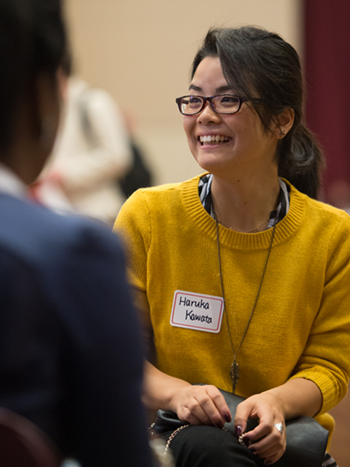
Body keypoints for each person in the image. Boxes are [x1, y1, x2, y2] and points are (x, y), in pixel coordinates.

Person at [114, 26, 350, 467]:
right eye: (194, 99)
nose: (204, 115)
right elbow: (119, 354)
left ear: (282, 119)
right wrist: (179, 393)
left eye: (227, 99)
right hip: (173, 438)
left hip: (284, 441)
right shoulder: (147, 216)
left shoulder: (333, 235)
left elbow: (329, 368)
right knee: (212, 450)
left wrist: (276, 404)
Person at [0, 1, 153, 466]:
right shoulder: (73, 256)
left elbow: (117, 155)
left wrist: (65, 177)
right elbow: (118, 450)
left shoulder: (95, 101)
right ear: (42, 95)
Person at [31, 50, 134, 224]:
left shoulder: (93, 101)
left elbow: (119, 156)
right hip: (63, 212)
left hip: (100, 214)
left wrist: (65, 173)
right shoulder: (49, 105)